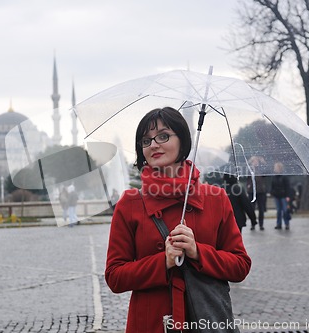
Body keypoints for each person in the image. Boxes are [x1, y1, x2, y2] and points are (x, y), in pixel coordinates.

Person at [104, 107, 251, 332]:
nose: (153, 145)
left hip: (205, 321)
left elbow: (240, 266)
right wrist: (163, 262)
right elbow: (115, 276)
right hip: (151, 323)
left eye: (163, 136)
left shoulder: (216, 199)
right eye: (145, 140)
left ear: (182, 139)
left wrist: (197, 252)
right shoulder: (130, 203)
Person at [247, 156, 267, 230]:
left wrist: (263, 162)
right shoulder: (249, 169)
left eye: (256, 161)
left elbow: (267, 173)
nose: (255, 162)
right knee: (252, 208)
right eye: (254, 161)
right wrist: (249, 162)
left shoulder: (261, 169)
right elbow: (244, 173)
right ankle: (253, 223)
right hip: (251, 191)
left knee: (261, 208)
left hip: (260, 191)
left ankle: (261, 224)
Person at [270, 162, 291, 230]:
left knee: (285, 210)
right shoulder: (274, 177)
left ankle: (286, 223)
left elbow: (287, 187)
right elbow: (272, 186)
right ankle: (278, 224)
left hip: (283, 196)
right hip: (277, 195)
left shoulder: (284, 177)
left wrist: (288, 196)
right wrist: (272, 192)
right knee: (279, 211)